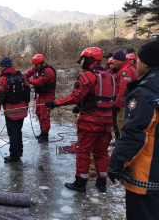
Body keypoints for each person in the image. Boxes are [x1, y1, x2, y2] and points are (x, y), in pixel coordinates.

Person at [44, 47, 115, 192]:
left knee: (83, 150)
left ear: (89, 60)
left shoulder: (87, 76)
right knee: (102, 152)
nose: (80, 62)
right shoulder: (109, 75)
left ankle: (80, 182)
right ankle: (102, 182)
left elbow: (76, 96)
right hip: (107, 120)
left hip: (90, 121)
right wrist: (81, 105)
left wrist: (56, 103)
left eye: (82, 59)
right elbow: (100, 97)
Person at [108, 40, 159, 220]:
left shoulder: (145, 93)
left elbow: (134, 134)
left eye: (137, 60)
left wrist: (116, 165)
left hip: (147, 179)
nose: (135, 64)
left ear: (146, 63)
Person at [0, 56, 29, 162]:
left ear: (4, 67)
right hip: (22, 110)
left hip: (11, 112)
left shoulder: (3, 80)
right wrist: (26, 105)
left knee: (13, 133)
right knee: (18, 131)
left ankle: (14, 155)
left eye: (0, 66)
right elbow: (26, 91)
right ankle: (19, 151)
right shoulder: (22, 76)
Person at [24, 54, 56, 143]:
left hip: (48, 96)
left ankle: (45, 135)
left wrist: (27, 81)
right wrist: (24, 76)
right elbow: (29, 72)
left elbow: (39, 82)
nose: (35, 67)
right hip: (41, 95)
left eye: (36, 65)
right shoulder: (37, 68)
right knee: (38, 112)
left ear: (41, 63)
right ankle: (42, 131)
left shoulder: (48, 71)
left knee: (44, 115)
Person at [112, 50, 137, 143]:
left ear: (120, 60)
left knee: (121, 123)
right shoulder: (128, 68)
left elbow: (123, 89)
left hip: (124, 104)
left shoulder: (125, 71)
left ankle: (125, 143)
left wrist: (117, 104)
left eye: (115, 59)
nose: (113, 61)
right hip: (130, 102)